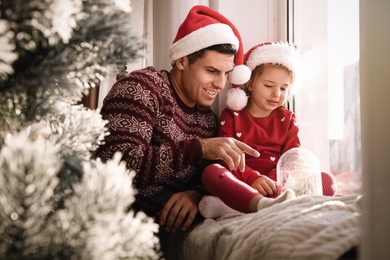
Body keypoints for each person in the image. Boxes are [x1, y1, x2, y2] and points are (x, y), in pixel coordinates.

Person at [95, 5, 257, 237]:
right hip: (111, 231)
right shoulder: (141, 88)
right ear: (181, 60)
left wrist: (195, 195)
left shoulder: (206, 119)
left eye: (225, 73)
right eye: (211, 71)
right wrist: (199, 148)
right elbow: (115, 164)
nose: (221, 84)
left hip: (161, 237)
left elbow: (205, 174)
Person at [199, 42, 336, 219]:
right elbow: (226, 158)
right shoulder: (232, 115)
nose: (276, 94)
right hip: (242, 180)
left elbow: (293, 158)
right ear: (250, 83)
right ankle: (256, 201)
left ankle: (238, 207)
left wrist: (274, 181)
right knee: (212, 173)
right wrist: (253, 179)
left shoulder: (287, 119)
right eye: (269, 86)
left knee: (327, 181)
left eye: (283, 88)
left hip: (278, 183)